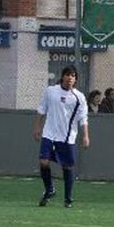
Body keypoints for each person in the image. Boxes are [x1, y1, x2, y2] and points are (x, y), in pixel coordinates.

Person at [32, 65, 90, 208]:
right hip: (49, 133)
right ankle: (50, 189)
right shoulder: (51, 91)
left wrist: (85, 136)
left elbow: (83, 118)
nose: (70, 78)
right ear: (62, 76)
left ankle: (68, 198)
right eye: (68, 75)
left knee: (68, 167)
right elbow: (42, 109)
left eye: (73, 76)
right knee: (43, 161)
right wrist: (37, 127)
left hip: (67, 137)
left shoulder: (79, 97)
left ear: (76, 79)